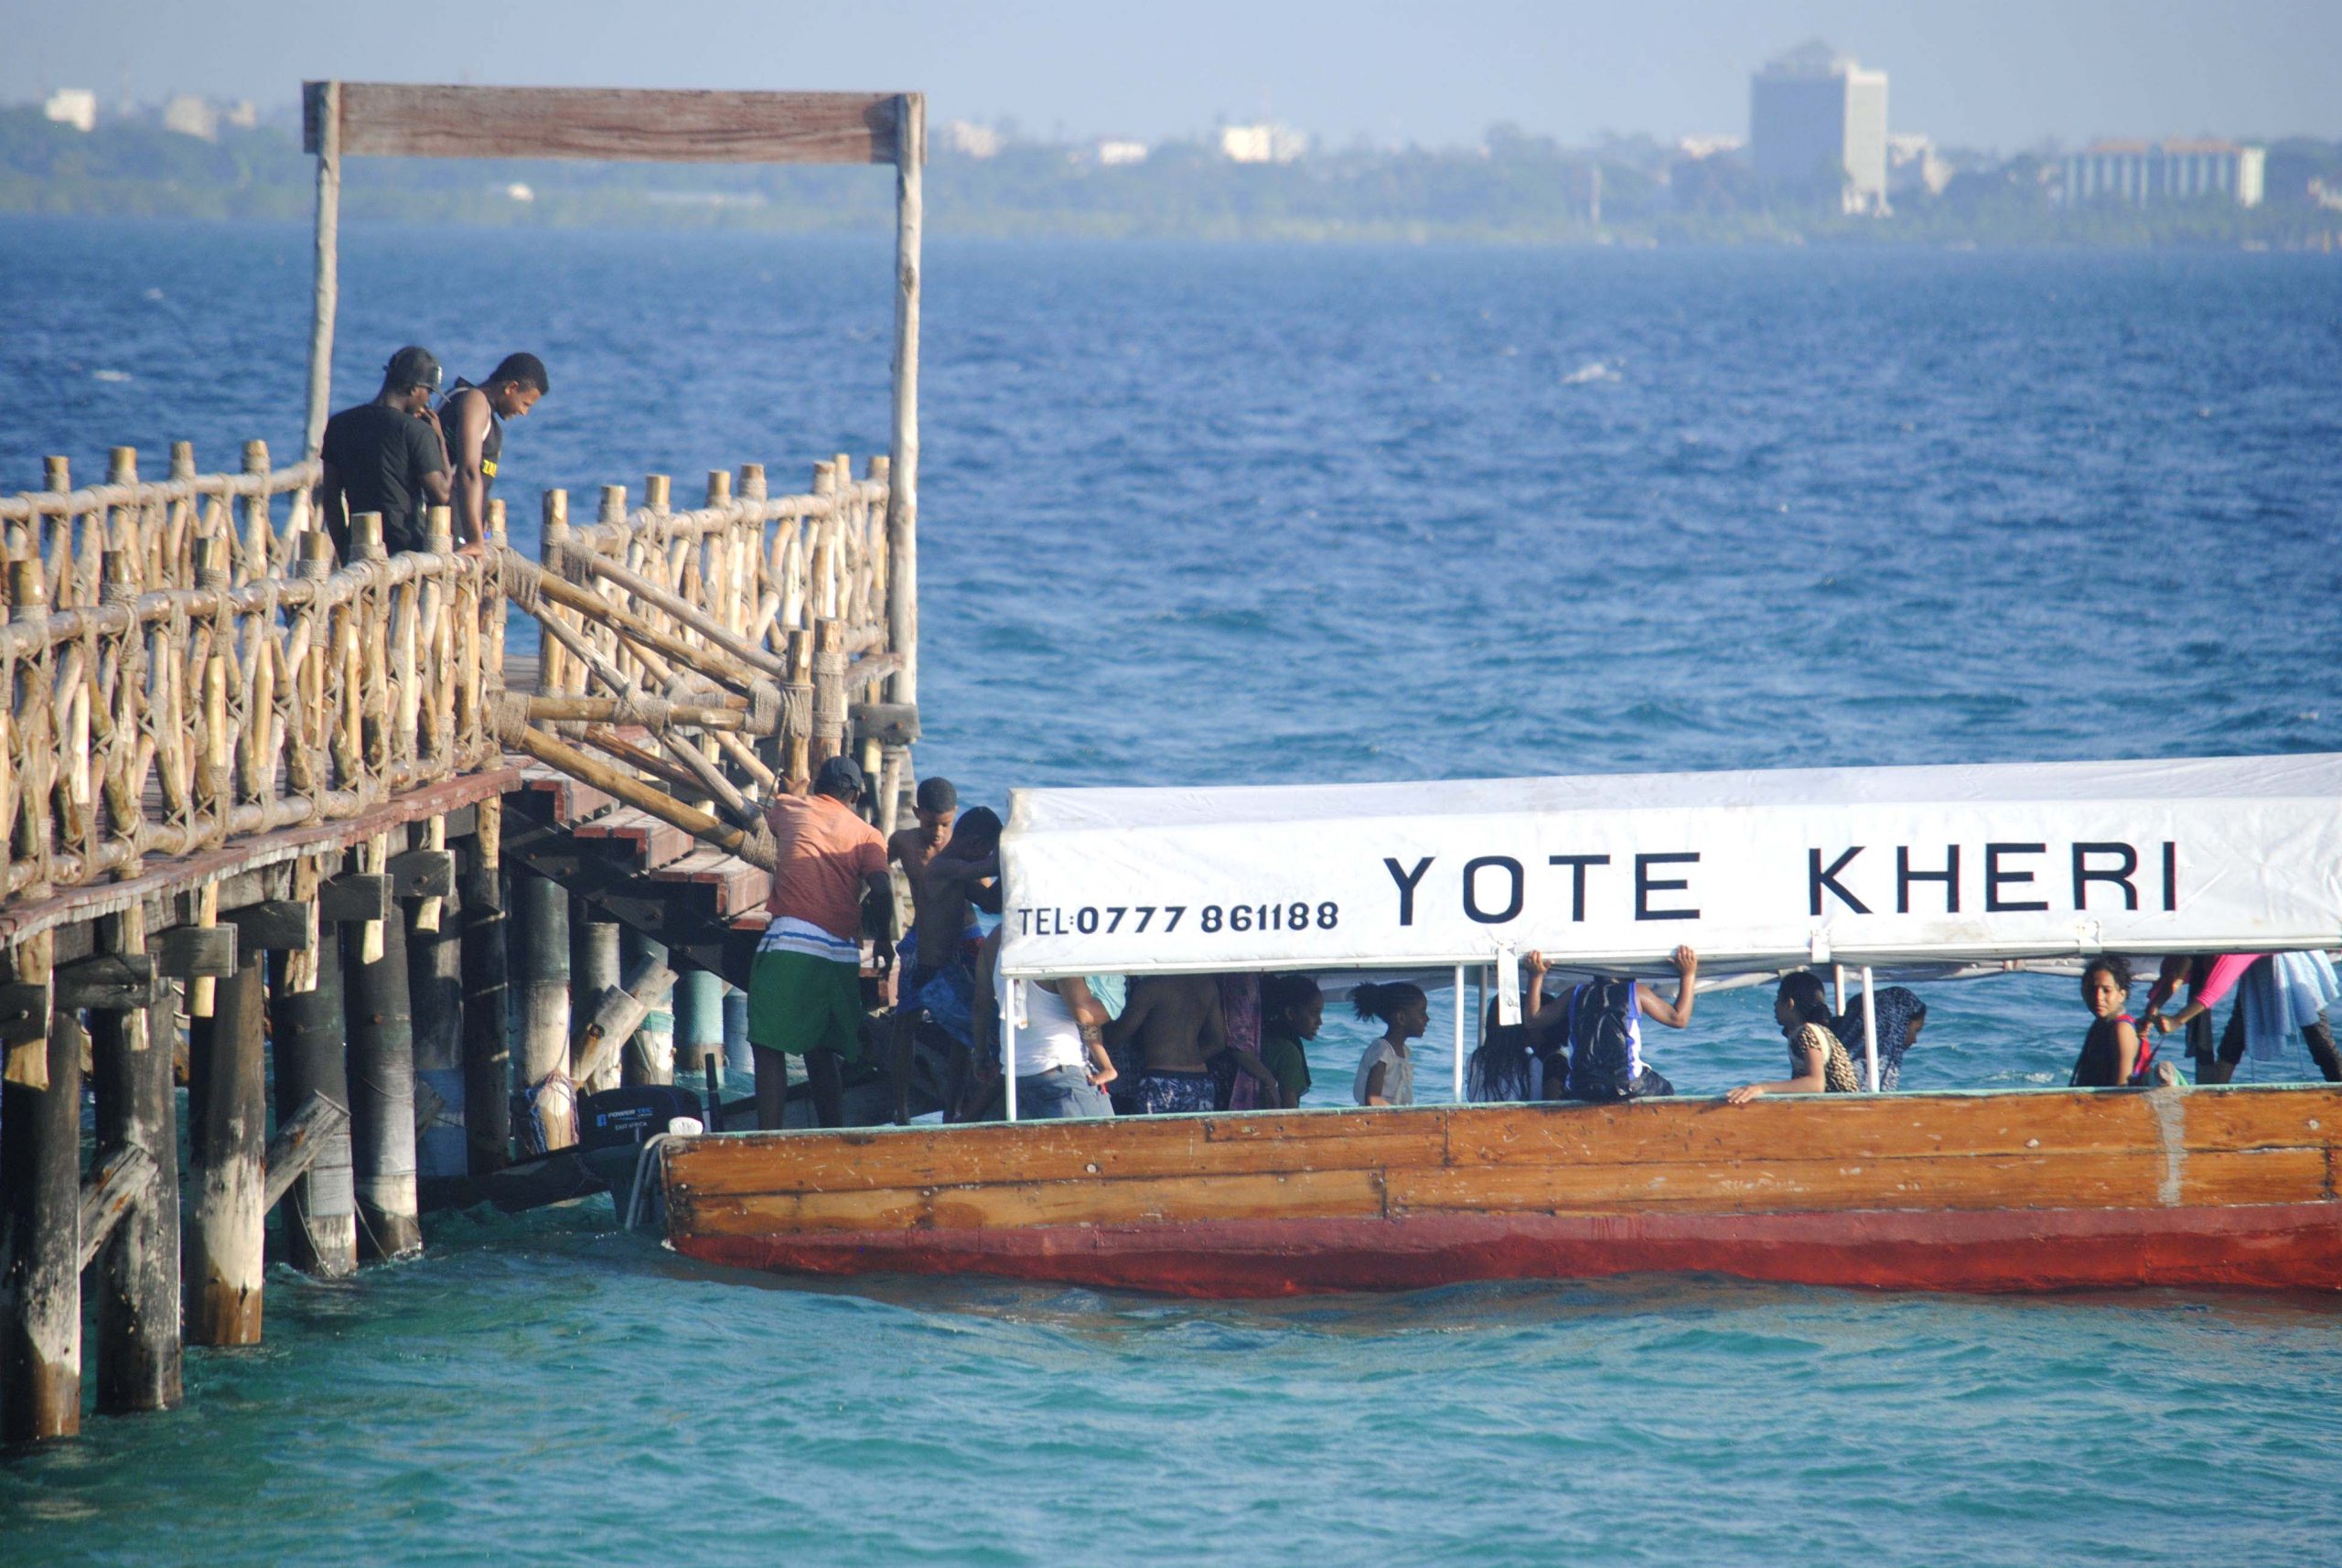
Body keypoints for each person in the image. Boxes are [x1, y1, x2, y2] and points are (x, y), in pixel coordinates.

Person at [748, 755, 891, 1129]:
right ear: (857, 796)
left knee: (768, 1044)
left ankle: (769, 1138)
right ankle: (833, 1133)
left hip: (792, 941)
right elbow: (881, 885)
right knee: (823, 1051)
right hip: (841, 951)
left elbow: (770, 816)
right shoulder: (867, 835)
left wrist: (794, 792)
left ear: (817, 788)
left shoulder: (791, 808)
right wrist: (885, 941)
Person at [318, 346, 451, 561]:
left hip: (360, 548)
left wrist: (345, 550)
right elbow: (442, 493)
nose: (428, 401)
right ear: (414, 389)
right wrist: (439, 439)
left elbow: (331, 497)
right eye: (429, 392)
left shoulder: (339, 424)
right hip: (406, 552)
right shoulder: (417, 431)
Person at [972, 927, 1115, 1119]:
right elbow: (1085, 1016)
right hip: (1061, 1073)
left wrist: (980, 1055)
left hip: (1017, 1077)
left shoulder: (996, 937)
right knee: (1109, 1145)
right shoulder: (1056, 943)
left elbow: (981, 1005)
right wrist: (1119, 1000)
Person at [1522, 946, 1698, 1101]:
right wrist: (1688, 974)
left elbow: (1533, 1020)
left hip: (1581, 1087)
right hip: (1628, 1084)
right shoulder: (1637, 992)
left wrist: (1536, 976)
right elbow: (1678, 1019)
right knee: (1665, 1090)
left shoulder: (1574, 993)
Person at [2141, 952, 2342, 1084]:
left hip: (2289, 961)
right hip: (2257, 966)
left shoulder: (2229, 954)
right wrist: (2151, 1011)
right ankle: (2215, 1090)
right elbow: (2171, 982)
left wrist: (2176, 1020)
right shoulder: (2188, 952)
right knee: (2238, 1027)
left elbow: (2211, 993)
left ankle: (2338, 1084)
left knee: (2315, 1029)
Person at [438, 352, 548, 552]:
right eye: (525, 404)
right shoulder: (475, 401)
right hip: (449, 530)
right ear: (511, 388)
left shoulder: (470, 401)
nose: (524, 413)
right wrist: (475, 540)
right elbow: (468, 471)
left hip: (458, 529)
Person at [1725, 971, 1861, 1104]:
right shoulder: (1812, 1031)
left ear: (1790, 1003)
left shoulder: (1806, 1033)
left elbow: (1815, 1084)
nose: (1774, 1004)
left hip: (1842, 1108)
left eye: (1778, 998)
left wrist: (1761, 1088)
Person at [1104, 975, 1227, 1114]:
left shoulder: (1152, 985)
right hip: (1199, 1079)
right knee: (1197, 1135)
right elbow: (1217, 1042)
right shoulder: (1206, 984)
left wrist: (1100, 1020)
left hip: (1160, 1079)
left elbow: (1118, 1036)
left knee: (1155, 1135)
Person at [2069, 956, 2150, 1088]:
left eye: (2106, 990)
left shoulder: (2122, 1029)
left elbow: (2121, 1089)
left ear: (2121, 995)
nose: (2098, 997)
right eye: (2092, 989)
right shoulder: (2100, 1025)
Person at [1834, 986, 1928, 1091]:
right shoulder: (1861, 1075)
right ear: (1897, 1027)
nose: (1914, 1040)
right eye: (1916, 1030)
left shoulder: (1838, 1061)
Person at [1350, 982, 1426, 1106]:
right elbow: (1373, 1100)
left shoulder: (1404, 1051)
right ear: (1401, 1018)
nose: (1427, 1018)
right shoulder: (1382, 1050)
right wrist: (1402, 1116)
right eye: (1422, 1013)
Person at [1255, 974, 1322, 1111]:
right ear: (1290, 1013)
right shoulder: (1287, 1052)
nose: (1320, 1022)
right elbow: (1290, 1109)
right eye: (1314, 1013)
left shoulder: (1258, 1041)